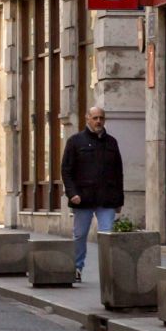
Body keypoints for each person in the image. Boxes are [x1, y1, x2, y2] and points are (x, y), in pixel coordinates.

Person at [61, 106, 124, 282]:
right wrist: (72, 193)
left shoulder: (111, 142)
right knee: (80, 235)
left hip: (107, 199)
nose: (98, 121)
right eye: (95, 118)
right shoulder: (75, 141)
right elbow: (66, 170)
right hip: (83, 198)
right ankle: (76, 268)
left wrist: (119, 200)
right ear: (87, 118)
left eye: (101, 118)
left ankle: (108, 272)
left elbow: (118, 172)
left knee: (107, 236)